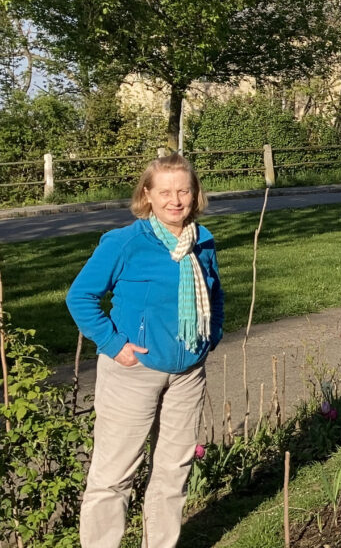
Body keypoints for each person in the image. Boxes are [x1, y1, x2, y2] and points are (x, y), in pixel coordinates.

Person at [66, 154, 224, 548]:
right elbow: (80, 297)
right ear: (147, 196)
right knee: (115, 473)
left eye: (183, 190)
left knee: (175, 470)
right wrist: (115, 345)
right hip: (132, 372)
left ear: (195, 194)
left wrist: (210, 339)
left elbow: (215, 295)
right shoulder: (125, 243)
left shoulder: (202, 242)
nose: (176, 200)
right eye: (165, 191)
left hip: (188, 374)